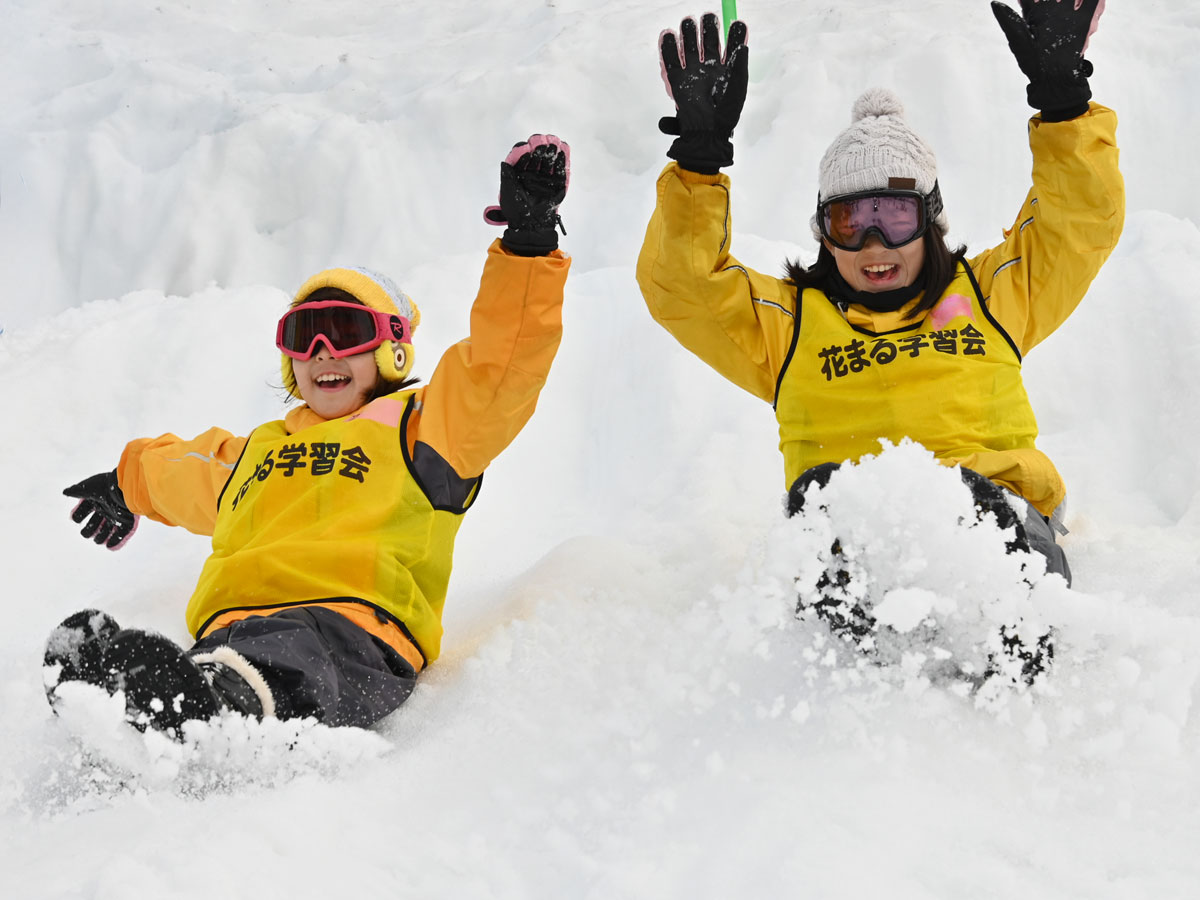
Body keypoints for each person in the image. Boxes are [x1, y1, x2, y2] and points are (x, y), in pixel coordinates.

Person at [638, 5, 1123, 670]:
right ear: (822, 230)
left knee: (973, 504)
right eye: (849, 219)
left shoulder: (990, 298)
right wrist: (698, 163)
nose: (873, 244)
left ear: (929, 219)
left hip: (998, 525)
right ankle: (858, 704)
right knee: (826, 504)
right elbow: (682, 284)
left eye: (893, 215)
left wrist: (1065, 101)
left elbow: (1078, 225)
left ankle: (1010, 678)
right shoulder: (791, 325)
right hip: (850, 536)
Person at [43, 134, 572, 736]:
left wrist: (527, 247)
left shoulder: (425, 432)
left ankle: (217, 713)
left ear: (393, 350)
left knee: (287, 656)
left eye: (345, 329)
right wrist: (127, 482)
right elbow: (188, 473)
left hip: (355, 632)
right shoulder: (262, 452)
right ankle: (144, 710)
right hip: (232, 626)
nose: (324, 352)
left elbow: (499, 370)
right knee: (231, 659)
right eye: (305, 334)